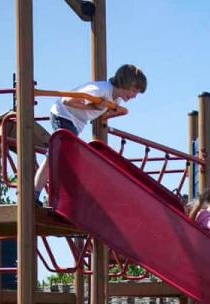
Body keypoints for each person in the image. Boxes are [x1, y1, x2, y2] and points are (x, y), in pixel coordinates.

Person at [34, 64, 148, 201]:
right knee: (61, 156)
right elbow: (67, 100)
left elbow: (102, 109)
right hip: (63, 114)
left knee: (62, 156)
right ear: (125, 82)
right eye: (134, 90)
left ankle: (56, 196)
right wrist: (95, 105)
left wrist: (108, 110)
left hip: (76, 123)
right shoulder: (100, 89)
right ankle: (40, 194)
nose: (135, 96)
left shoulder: (115, 98)